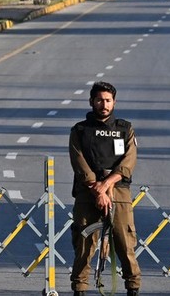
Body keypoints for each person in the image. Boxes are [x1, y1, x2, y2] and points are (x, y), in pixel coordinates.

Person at [68, 81, 141, 296]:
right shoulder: (80, 130)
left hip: (118, 191)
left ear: (114, 102)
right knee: (84, 243)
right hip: (87, 193)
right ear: (92, 101)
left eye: (108, 100)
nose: (103, 104)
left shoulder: (125, 128)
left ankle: (133, 287)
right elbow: (79, 162)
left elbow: (129, 161)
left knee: (125, 243)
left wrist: (107, 185)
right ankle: (80, 288)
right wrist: (97, 190)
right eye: (99, 100)